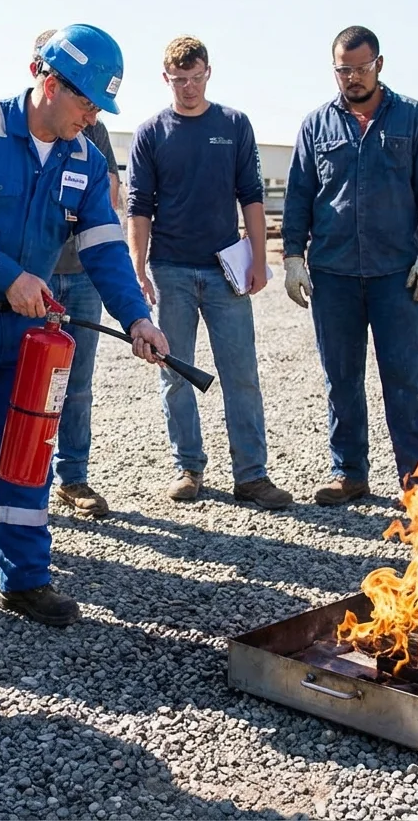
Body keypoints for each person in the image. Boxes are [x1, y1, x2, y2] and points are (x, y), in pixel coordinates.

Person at [0, 24, 170, 629]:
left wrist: (138, 318)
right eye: (86, 101)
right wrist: (11, 278)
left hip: (28, 334)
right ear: (48, 82)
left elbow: (104, 248)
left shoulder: (86, 157)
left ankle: (25, 578)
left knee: (26, 451)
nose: (92, 115)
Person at [282, 25, 418, 505]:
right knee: (341, 378)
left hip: (396, 274)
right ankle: (349, 473)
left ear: (379, 64)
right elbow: (298, 195)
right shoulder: (316, 125)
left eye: (360, 68)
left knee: (405, 378)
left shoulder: (412, 118)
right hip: (333, 274)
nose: (352, 77)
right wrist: (294, 256)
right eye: (343, 69)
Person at [127, 35, 292, 510]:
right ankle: (188, 467)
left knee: (241, 373)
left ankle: (252, 476)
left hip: (226, 272)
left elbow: (252, 197)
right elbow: (139, 208)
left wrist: (260, 260)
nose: (188, 87)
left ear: (208, 73)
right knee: (174, 372)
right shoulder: (151, 133)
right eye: (179, 80)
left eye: (196, 77)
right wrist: (137, 268)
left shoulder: (234, 125)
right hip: (171, 269)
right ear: (166, 79)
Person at [30, 29, 119, 519]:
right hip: (36, 275)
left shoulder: (92, 133)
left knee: (75, 382)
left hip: (81, 275)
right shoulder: (1, 128)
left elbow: (106, 205)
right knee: (26, 383)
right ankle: (26, 476)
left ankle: (73, 476)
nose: (90, 117)